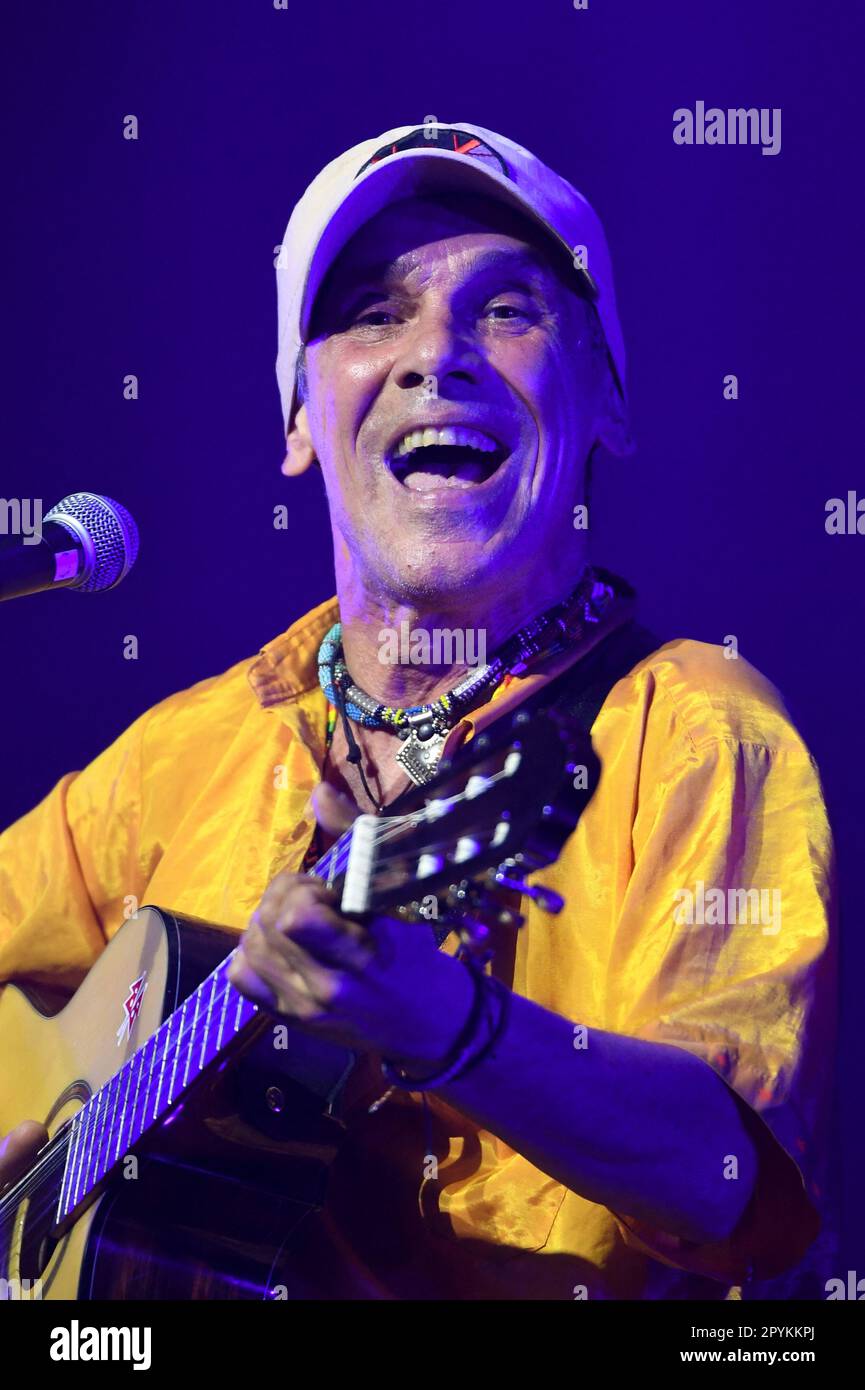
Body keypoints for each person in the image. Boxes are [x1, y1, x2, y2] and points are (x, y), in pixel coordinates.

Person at [0, 122, 835, 1300]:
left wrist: (454, 1025)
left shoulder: (700, 729)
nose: (435, 354)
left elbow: (732, 1180)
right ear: (297, 419)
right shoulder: (186, 750)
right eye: (372, 313)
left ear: (608, 401)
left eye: (507, 310)